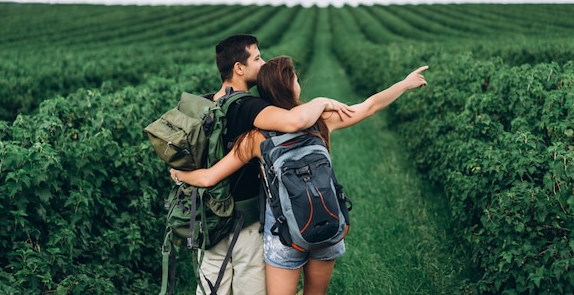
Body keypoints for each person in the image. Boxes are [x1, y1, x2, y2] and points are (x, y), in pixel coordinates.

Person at [171, 56, 429, 295]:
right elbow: (369, 106)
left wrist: (181, 174)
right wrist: (404, 84)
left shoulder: (255, 137)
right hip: (325, 219)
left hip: (284, 231)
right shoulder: (320, 120)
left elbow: (208, 178)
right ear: (291, 86)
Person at [195, 35, 353, 295]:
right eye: (257, 58)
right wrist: (321, 102)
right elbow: (293, 122)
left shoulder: (207, 104)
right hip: (247, 222)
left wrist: (180, 175)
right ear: (239, 68)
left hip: (211, 219)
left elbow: (207, 173)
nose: (263, 62)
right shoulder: (252, 107)